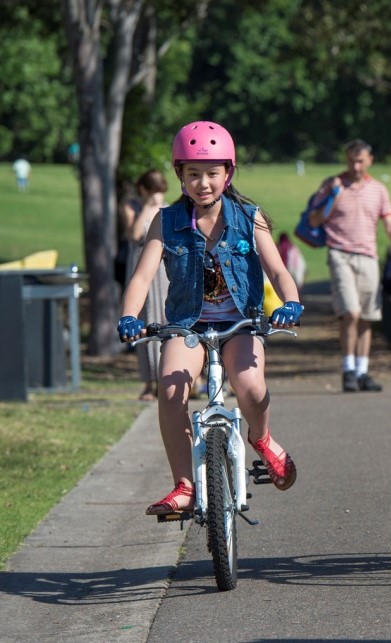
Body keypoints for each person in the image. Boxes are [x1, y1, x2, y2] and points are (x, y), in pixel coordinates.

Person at [118, 120, 302, 515]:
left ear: (228, 173)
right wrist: (129, 316)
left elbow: (279, 270)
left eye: (213, 173)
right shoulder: (165, 222)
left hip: (240, 323)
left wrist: (289, 302)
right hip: (187, 326)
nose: (204, 183)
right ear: (179, 175)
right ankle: (184, 485)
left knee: (250, 387)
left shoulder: (250, 217)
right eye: (194, 174)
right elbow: (142, 276)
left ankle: (263, 439)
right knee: (170, 392)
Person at [305, 139, 391, 393]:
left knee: (367, 317)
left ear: (370, 160)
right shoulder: (331, 185)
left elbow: (390, 225)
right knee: (351, 312)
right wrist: (333, 196)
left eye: (361, 161)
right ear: (346, 159)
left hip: (369, 257)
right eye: (351, 160)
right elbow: (314, 220)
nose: (356, 166)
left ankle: (362, 372)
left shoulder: (378, 190)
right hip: (340, 254)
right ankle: (348, 368)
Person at [123, 169, 170, 401]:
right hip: (140, 263)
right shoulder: (132, 206)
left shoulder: (169, 209)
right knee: (145, 320)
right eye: (153, 191)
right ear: (143, 190)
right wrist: (149, 210)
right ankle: (149, 382)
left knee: (166, 319)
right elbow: (132, 234)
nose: (157, 195)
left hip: (162, 269)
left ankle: (168, 379)